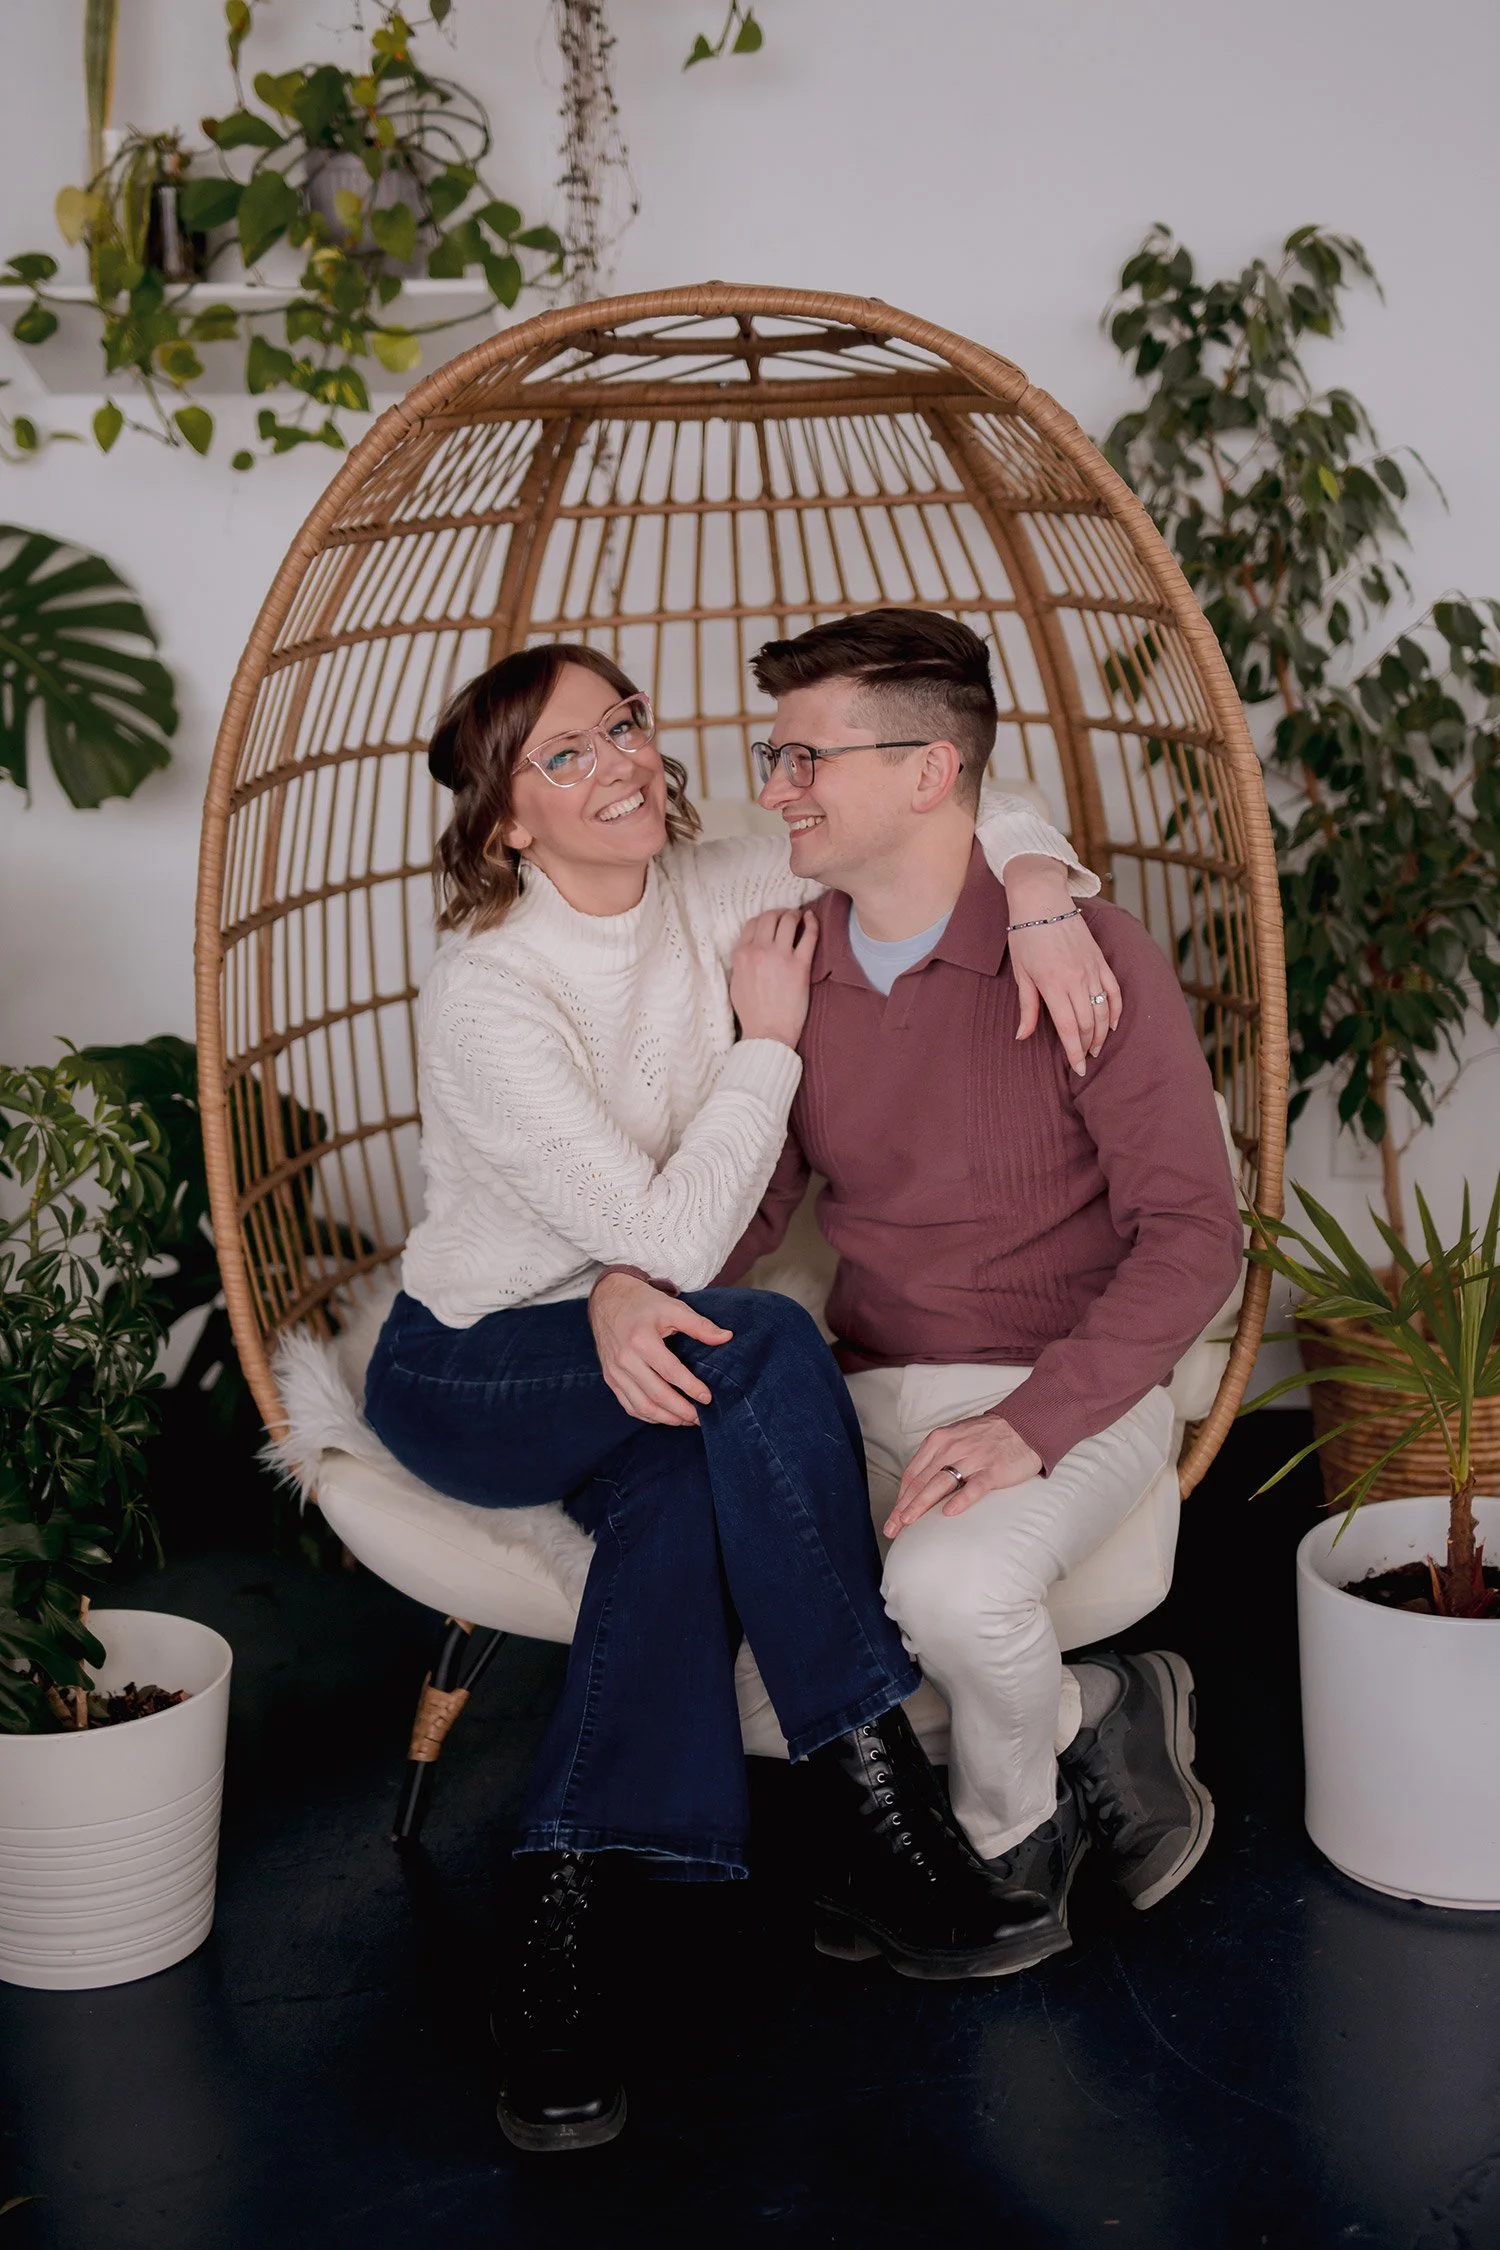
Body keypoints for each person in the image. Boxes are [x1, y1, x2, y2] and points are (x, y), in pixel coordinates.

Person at [362, 640, 1121, 2153]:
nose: (622, 764)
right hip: (477, 1358)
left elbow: (954, 811)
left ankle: (556, 1925)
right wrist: (763, 1046)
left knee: (675, 1506)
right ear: (506, 821)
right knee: (765, 1346)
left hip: (643, 1347)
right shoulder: (490, 991)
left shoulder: (717, 886)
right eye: (566, 757)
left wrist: (1038, 893)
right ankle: (873, 1791)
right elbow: (666, 1239)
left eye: (624, 726)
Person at [587, 609, 1246, 1964]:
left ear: (931, 774)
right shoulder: (788, 969)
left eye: (805, 760)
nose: (774, 790)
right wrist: (627, 1283)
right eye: (776, 758)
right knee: (767, 1705)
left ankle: (1007, 1842)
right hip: (865, 1386)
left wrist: (1033, 1422)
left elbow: (1195, 1235)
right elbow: (755, 1197)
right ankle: (1093, 1712)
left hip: (1064, 1385)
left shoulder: (1086, 953)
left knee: (948, 1599)